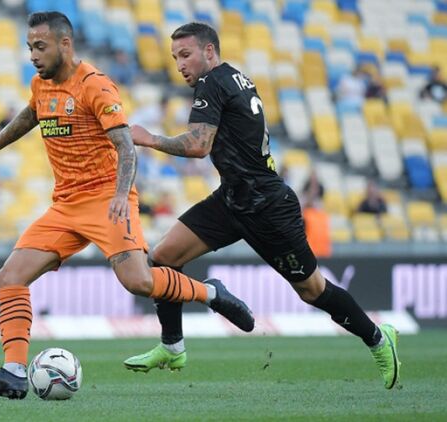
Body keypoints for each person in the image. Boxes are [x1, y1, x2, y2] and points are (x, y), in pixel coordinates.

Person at [0, 12, 253, 400]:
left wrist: (121, 195)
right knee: (10, 277)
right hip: (65, 205)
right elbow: (31, 114)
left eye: (40, 47)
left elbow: (126, 146)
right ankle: (14, 372)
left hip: (107, 199)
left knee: (139, 282)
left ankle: (211, 294)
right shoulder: (41, 84)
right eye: (29, 48)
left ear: (65, 44)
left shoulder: (95, 85)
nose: (33, 55)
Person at [126, 22, 401, 389]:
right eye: (175, 57)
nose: (180, 65)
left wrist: (150, 139)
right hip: (233, 198)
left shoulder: (212, 82)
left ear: (209, 51)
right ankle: (172, 347)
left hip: (266, 206)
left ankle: (379, 338)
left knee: (313, 290)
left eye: (186, 55)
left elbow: (198, 145)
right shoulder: (234, 77)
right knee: (163, 257)